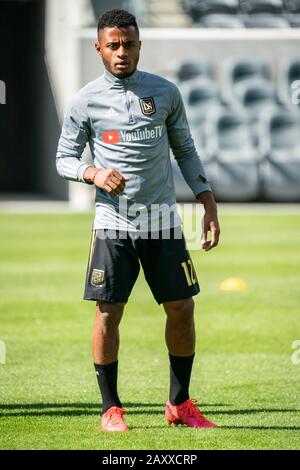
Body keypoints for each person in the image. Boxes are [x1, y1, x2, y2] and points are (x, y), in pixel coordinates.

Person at [56, 9, 220, 432]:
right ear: (99, 48)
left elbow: (185, 149)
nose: (121, 52)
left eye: (129, 44)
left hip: (164, 221)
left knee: (182, 308)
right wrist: (93, 173)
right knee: (108, 312)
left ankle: (180, 404)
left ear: (139, 46)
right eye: (113, 45)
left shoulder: (164, 93)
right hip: (114, 225)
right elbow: (64, 159)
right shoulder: (85, 100)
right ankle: (111, 409)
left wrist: (206, 199)